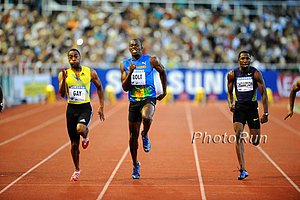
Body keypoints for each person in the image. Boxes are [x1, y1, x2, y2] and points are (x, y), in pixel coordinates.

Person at [120, 38, 167, 179]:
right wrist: (130, 73)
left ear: (141, 47)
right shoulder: (125, 64)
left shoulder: (151, 60)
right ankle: (135, 164)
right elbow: (124, 87)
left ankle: (145, 134)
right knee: (132, 137)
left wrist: (164, 91)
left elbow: (163, 72)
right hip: (134, 100)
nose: (134, 47)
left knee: (147, 117)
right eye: (131, 45)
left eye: (136, 45)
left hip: (148, 97)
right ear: (129, 48)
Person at [58, 48, 105, 181]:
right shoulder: (63, 74)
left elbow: (100, 87)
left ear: (80, 57)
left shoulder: (90, 72)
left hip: (85, 107)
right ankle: (77, 169)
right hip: (71, 109)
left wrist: (101, 106)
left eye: (75, 56)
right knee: (73, 144)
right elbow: (62, 94)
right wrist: (63, 82)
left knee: (80, 128)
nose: (73, 58)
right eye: (71, 57)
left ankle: (85, 136)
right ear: (68, 59)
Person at [227, 51, 269, 180]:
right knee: (238, 135)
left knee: (255, 141)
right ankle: (242, 169)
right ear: (238, 60)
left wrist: (266, 112)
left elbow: (264, 94)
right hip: (239, 108)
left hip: (252, 109)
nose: (245, 60)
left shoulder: (255, 73)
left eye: (247, 58)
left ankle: (244, 166)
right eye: (242, 58)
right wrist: (231, 103)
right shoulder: (232, 74)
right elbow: (229, 92)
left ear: (250, 60)